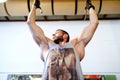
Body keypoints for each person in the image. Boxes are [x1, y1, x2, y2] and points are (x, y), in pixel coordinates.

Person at [27, 0, 99, 80]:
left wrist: (90, 6)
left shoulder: (76, 45)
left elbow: (94, 23)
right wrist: (35, 5)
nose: (53, 35)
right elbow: (30, 23)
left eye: (56, 33)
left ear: (65, 36)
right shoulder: (47, 46)